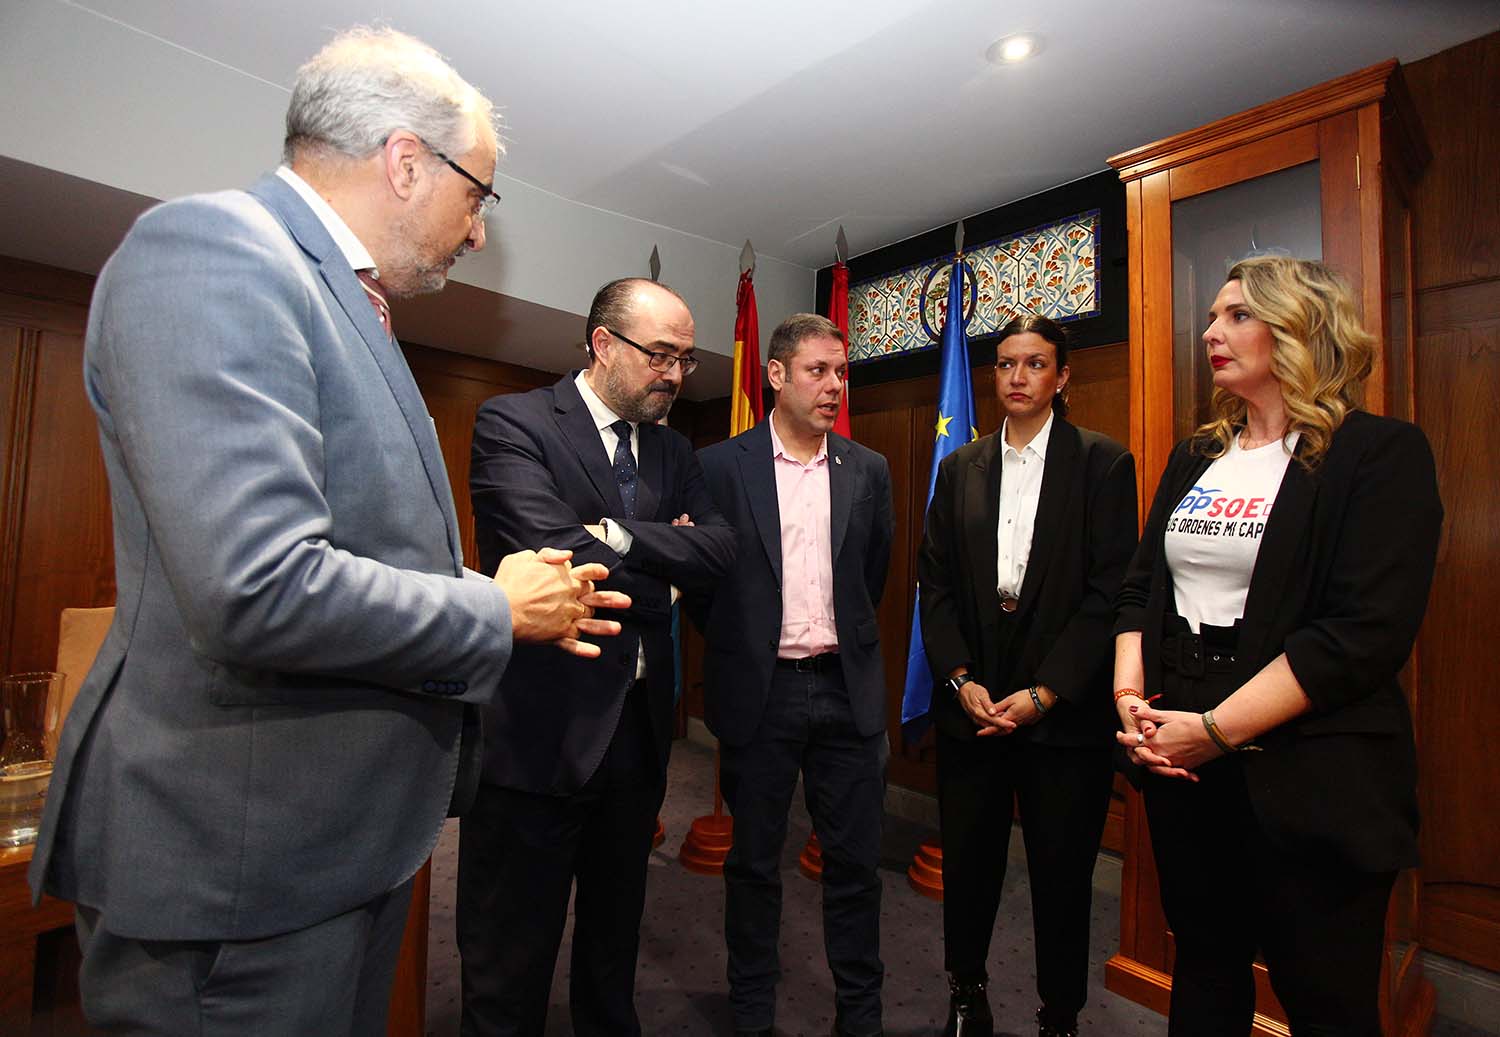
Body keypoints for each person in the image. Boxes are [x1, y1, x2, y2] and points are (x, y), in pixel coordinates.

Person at [27, 26, 626, 1036]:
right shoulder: (214, 251)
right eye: (476, 193)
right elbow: (257, 587)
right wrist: (495, 604)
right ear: (404, 161)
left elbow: (354, 550)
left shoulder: (347, 302)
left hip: (325, 852)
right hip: (234, 871)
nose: (478, 230)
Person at [1114, 256, 1443, 1036]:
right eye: (1212, 316)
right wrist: (1131, 702)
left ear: (1300, 327)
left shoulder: (1379, 453)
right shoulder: (1197, 454)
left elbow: (1360, 635)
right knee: (1203, 967)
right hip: (1179, 758)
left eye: (1237, 316)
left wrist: (1218, 729)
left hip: (1310, 769)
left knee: (1324, 998)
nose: (1210, 332)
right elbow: (1138, 588)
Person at [460, 276, 737, 1036]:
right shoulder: (512, 423)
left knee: (613, 962)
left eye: (685, 358)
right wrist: (665, 578)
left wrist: (614, 535)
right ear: (603, 343)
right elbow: (546, 554)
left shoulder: (677, 449)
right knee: (508, 967)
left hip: (640, 742)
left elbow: (719, 550)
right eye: (660, 355)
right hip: (537, 739)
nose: (676, 374)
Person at [917, 315, 1137, 1037]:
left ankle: (1060, 1013)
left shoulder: (1103, 464)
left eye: (1034, 363)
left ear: (1062, 376)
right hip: (973, 702)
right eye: (1006, 363)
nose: (1016, 376)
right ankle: (966, 989)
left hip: (1061, 709)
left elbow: (1110, 594)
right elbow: (936, 585)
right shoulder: (960, 467)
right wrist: (956, 677)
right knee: (972, 864)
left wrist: (1047, 692)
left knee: (1061, 875)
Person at [691, 313, 894, 1037]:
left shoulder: (867, 468)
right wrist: (746, 642)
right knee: (752, 863)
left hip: (847, 689)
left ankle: (859, 1015)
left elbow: (873, 571)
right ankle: (752, 1010)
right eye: (818, 370)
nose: (835, 385)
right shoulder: (718, 466)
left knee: (854, 867)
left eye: (842, 371)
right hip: (762, 692)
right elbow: (706, 585)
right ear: (775, 374)